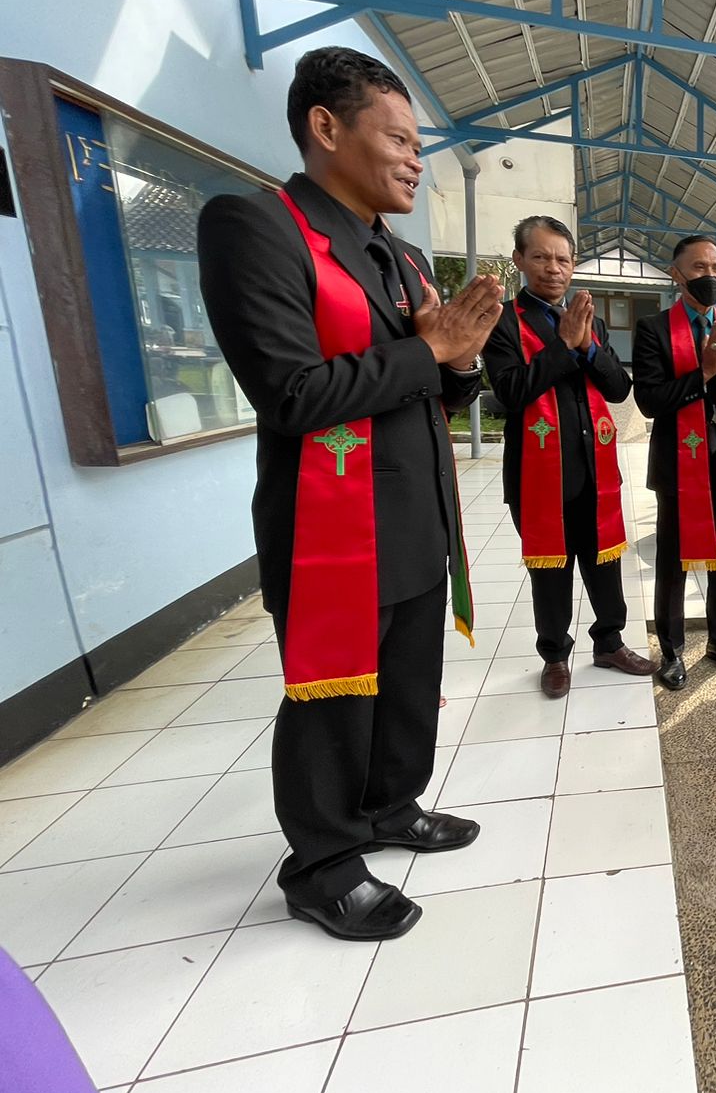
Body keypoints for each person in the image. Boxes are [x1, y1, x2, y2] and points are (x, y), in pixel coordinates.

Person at [198, 47, 503, 940]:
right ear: (326, 128)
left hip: (415, 515)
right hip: (331, 524)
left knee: (408, 680)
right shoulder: (258, 227)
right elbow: (290, 393)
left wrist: (463, 357)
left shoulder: (398, 258)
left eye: (421, 145)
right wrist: (431, 352)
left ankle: (389, 806)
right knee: (333, 695)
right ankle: (323, 864)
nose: (416, 159)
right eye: (399, 138)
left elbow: (438, 387)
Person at [483, 215, 653, 698]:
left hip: (594, 471)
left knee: (604, 563)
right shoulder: (503, 322)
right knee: (551, 571)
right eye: (539, 256)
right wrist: (562, 347)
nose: (552, 268)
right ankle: (555, 655)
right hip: (538, 475)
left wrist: (588, 349)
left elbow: (619, 388)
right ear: (519, 260)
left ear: (573, 263)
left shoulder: (590, 319)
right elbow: (511, 393)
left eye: (562, 258)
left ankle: (610, 643)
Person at [633, 235, 716, 691]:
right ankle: (672, 649)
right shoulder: (653, 328)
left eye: (715, 268)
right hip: (677, 464)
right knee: (672, 560)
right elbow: (650, 401)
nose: (709, 276)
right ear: (676, 274)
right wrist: (703, 376)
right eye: (698, 268)